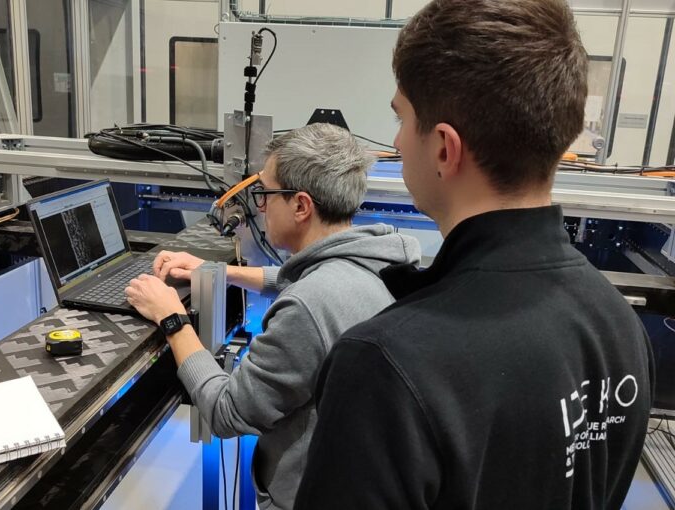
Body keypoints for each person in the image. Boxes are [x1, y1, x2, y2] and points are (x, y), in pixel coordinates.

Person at [294, 1, 654, 509]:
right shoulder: (617, 323)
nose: (396, 142)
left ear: (445, 148)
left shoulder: (384, 365)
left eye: (401, 118)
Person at [125, 122, 421, 510]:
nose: (259, 207)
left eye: (265, 194)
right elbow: (304, 278)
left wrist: (172, 318)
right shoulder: (379, 260)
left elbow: (226, 412)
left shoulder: (309, 304)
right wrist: (219, 271)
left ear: (300, 206)